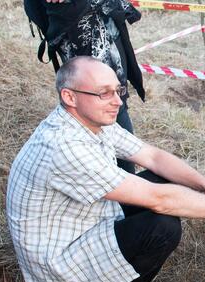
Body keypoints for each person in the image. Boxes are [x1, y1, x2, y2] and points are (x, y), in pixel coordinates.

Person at [6, 57, 205, 282]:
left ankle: (110, 279)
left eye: (118, 90)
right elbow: (159, 200)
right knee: (163, 226)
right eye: (104, 93)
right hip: (59, 253)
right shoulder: (64, 146)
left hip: (78, 219)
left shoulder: (89, 121)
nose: (118, 102)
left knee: (161, 179)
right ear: (69, 97)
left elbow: (153, 157)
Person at [40, 0, 144, 174]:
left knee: (114, 105)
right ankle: (104, 173)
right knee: (91, 105)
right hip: (76, 33)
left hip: (103, 29)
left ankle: (122, 177)